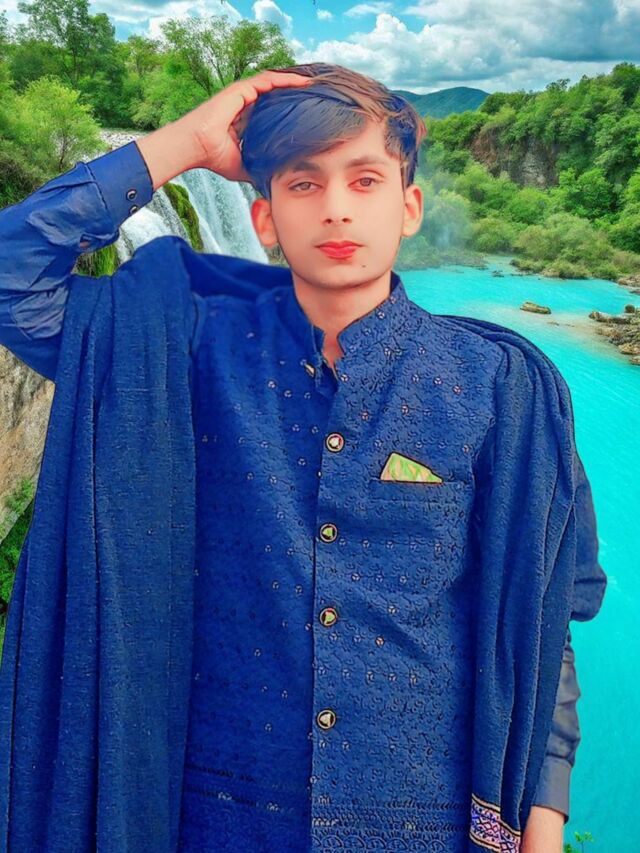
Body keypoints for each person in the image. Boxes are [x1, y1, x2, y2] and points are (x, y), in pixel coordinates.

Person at [0, 62, 606, 852]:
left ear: (409, 207)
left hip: (420, 824)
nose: (336, 208)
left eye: (365, 179)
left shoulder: (501, 390)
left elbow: (542, 620)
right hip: (212, 818)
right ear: (264, 218)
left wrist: (543, 821)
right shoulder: (185, 350)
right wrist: (184, 143)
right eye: (303, 183)